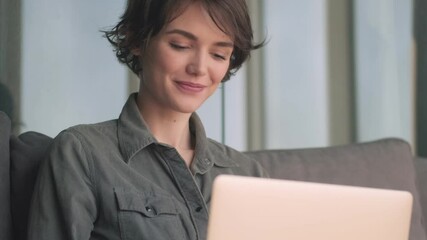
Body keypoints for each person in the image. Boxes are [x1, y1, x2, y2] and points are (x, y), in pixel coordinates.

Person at [27, 0, 267, 239]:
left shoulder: (249, 175)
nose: (200, 68)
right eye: (180, 45)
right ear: (136, 41)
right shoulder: (82, 153)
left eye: (218, 54)